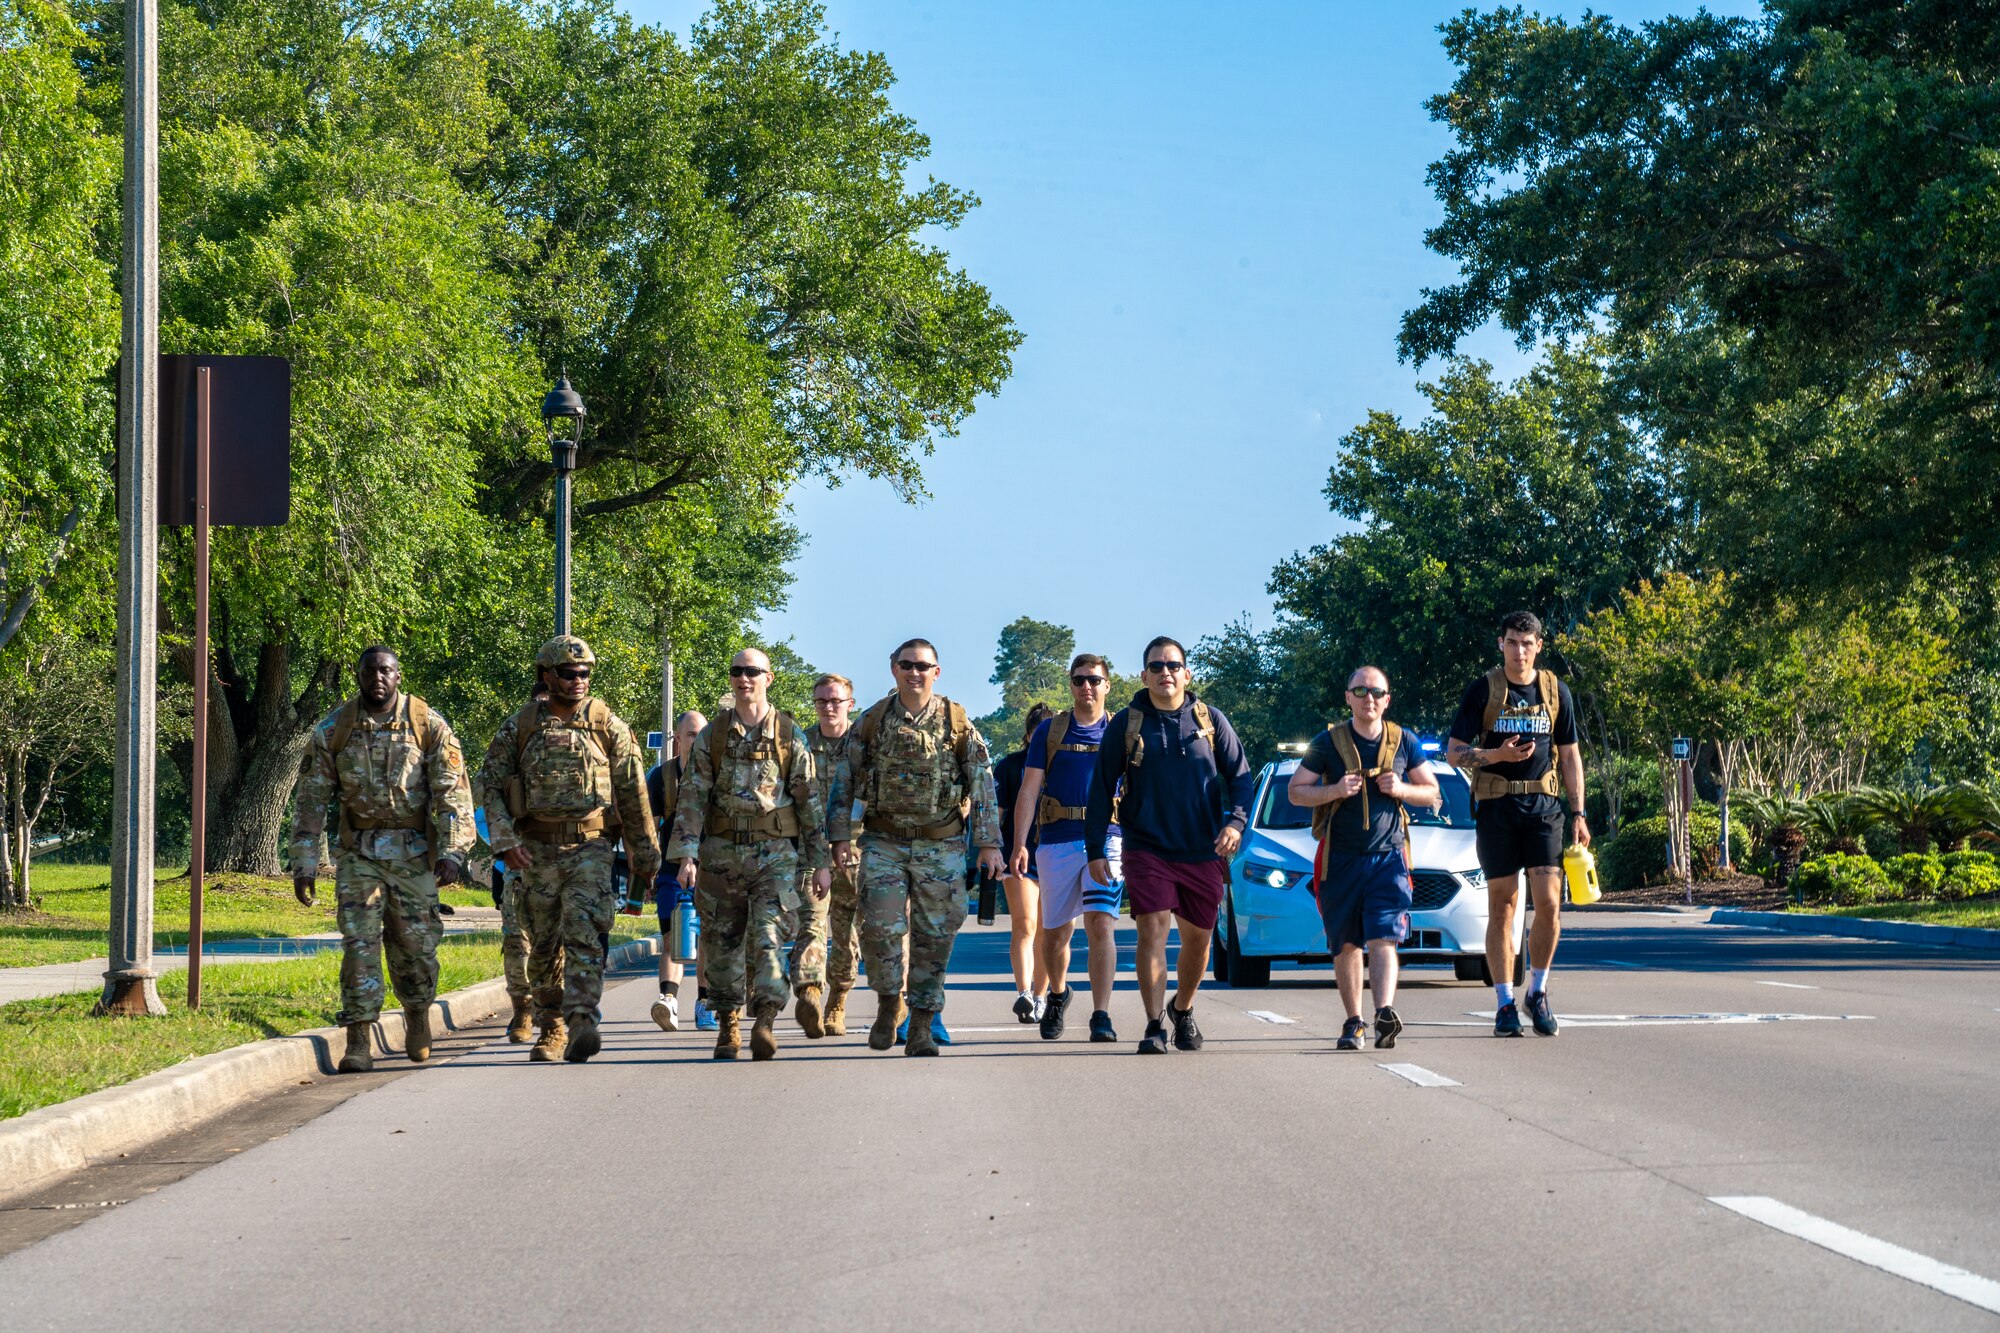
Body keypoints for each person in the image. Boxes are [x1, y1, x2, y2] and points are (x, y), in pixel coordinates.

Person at [288, 646, 475, 1074]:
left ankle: (417, 1014)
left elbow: (454, 795)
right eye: (369, 670)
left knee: (416, 947)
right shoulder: (334, 728)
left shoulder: (428, 725)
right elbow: (311, 801)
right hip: (359, 854)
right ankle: (358, 1038)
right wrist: (304, 863)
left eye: (386, 670)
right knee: (359, 944)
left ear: (398, 676)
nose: (377, 677)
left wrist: (452, 852)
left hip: (414, 854)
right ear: (358, 675)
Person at [477, 635, 660, 1063]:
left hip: (591, 848)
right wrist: (504, 843)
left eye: (585, 673)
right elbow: (491, 787)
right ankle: (550, 1023)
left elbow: (633, 793)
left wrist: (645, 855)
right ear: (546, 674)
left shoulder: (606, 724)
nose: (578, 680)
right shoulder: (520, 726)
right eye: (568, 673)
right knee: (542, 947)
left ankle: (581, 1020)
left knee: (584, 934)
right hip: (534, 852)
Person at [1085, 636, 1254, 1055]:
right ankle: (1153, 1023)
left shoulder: (1211, 721)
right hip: (1146, 848)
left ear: (1186, 673)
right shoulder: (1127, 723)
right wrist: (1094, 851)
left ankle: (1183, 1008)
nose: (1166, 673)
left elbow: (1241, 779)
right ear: (1143, 675)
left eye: (1173, 666)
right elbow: (1101, 790)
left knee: (1199, 941)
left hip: (1203, 849)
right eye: (1157, 666)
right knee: (1153, 931)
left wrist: (1235, 822)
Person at [844, 637, 1005, 1056]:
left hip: (941, 844)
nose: (914, 672)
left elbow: (983, 784)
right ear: (893, 668)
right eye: (907, 664)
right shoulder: (872, 720)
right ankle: (887, 1003)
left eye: (923, 666)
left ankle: (920, 1025)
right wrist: (839, 836)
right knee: (879, 929)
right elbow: (843, 781)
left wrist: (988, 843)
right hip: (883, 841)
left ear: (937, 672)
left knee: (935, 938)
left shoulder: (957, 722)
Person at [669, 649, 832, 1061]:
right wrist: (687, 855)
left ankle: (765, 1018)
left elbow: (809, 802)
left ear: (768, 679)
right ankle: (728, 1024)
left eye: (753, 672)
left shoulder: (788, 735)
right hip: (720, 856)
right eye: (737, 671)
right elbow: (691, 797)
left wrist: (820, 863)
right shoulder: (714, 735)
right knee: (722, 945)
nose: (744, 678)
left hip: (774, 856)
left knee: (769, 938)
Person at [1445, 611, 1590, 1038]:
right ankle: (1505, 1002)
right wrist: (1496, 757)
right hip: (1497, 810)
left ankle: (1538, 992)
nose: (1520, 650)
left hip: (1545, 808)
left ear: (1539, 646)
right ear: (1501, 644)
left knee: (1548, 903)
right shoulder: (1484, 690)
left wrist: (1579, 814)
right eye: (1512, 642)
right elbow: (1455, 753)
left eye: (1527, 643)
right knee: (1503, 907)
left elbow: (1569, 756)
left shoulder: (1554, 690)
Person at [1288, 666, 1440, 1051]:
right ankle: (1353, 1021)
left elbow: (1432, 792)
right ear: (1348, 698)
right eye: (1360, 691)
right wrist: (1336, 789)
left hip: (1388, 857)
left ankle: (1383, 1013)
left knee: (1383, 937)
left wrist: (1402, 788)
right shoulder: (1327, 742)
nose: (1368, 698)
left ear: (1387, 699)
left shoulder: (1405, 741)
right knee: (1346, 944)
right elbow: (1295, 792)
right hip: (1340, 858)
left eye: (1376, 691)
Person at [1013, 656, 1124, 1043]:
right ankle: (1058, 994)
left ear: (1107, 685)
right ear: (1071, 684)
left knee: (1100, 923)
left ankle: (1101, 1014)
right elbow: (1028, 789)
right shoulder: (1051, 731)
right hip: (1056, 841)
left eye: (1094, 679)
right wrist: (1019, 845)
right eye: (1079, 680)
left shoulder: (1122, 730)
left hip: (1109, 839)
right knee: (1056, 933)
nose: (1086, 687)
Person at [789, 674, 864, 1036]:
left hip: (853, 851)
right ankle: (810, 993)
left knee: (847, 933)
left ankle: (838, 1002)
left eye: (836, 701)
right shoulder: (801, 744)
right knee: (810, 924)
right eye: (822, 701)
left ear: (851, 703)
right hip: (810, 851)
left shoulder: (863, 745)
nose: (829, 707)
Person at [992, 702, 1055, 1024]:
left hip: (1057, 855)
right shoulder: (1009, 766)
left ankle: (1042, 996)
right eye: (1036, 733)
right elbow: (996, 813)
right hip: (1018, 855)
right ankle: (1024, 994)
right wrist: (989, 850)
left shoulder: (1066, 763)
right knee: (1025, 923)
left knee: (1049, 929)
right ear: (1028, 735)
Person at [646, 708, 707, 1033]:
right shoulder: (662, 777)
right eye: (692, 734)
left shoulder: (720, 774)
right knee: (672, 938)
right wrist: (647, 870)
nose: (698, 740)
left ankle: (705, 1002)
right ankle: (668, 1000)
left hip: (712, 869)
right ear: (678, 738)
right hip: (670, 870)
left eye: (702, 734)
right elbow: (650, 827)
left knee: (708, 940)